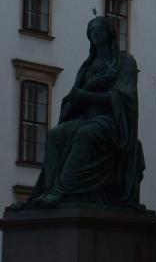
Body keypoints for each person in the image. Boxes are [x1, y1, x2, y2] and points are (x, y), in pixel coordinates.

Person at [20, 14, 144, 209]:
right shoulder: (87, 65)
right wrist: (82, 93)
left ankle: (59, 190)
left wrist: (87, 94)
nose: (95, 33)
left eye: (99, 29)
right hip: (85, 118)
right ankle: (48, 190)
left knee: (86, 134)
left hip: (111, 123)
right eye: (91, 30)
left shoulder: (125, 63)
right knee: (54, 135)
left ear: (109, 33)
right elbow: (75, 97)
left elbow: (124, 99)